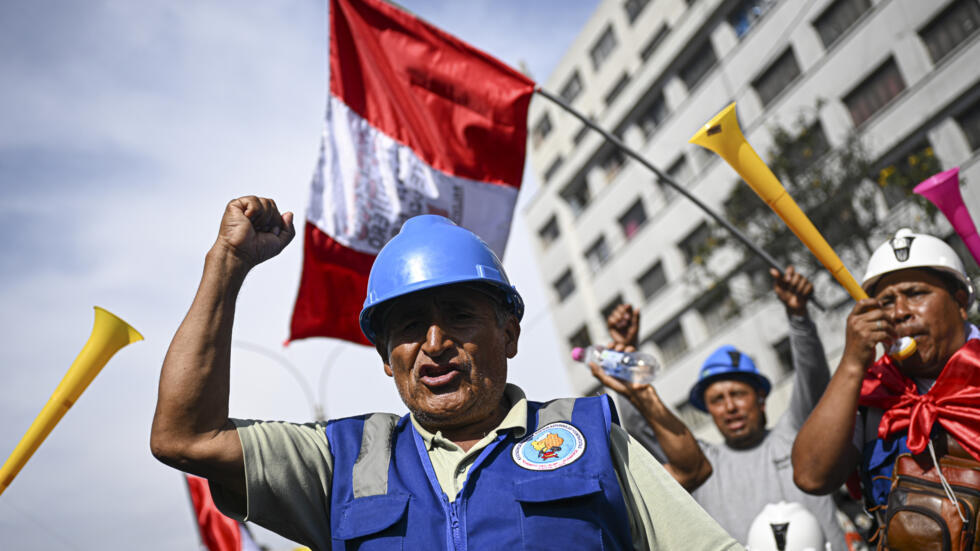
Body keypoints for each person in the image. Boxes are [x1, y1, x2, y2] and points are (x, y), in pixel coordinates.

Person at [150, 196, 742, 550]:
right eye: (407, 326)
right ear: (386, 357)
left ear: (508, 332)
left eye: (459, 315)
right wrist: (226, 265)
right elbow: (185, 437)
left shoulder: (590, 440)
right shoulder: (342, 461)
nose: (433, 343)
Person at [593, 267, 846, 548]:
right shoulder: (700, 465)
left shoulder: (796, 438)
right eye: (717, 400)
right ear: (708, 409)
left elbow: (813, 380)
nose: (729, 407)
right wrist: (630, 364)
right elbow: (644, 430)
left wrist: (799, 318)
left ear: (761, 398)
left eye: (738, 394)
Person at [792, 228, 978, 541]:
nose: (900, 312)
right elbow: (811, 476)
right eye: (887, 302)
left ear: (960, 301)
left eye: (916, 293)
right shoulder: (868, 395)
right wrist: (852, 364)